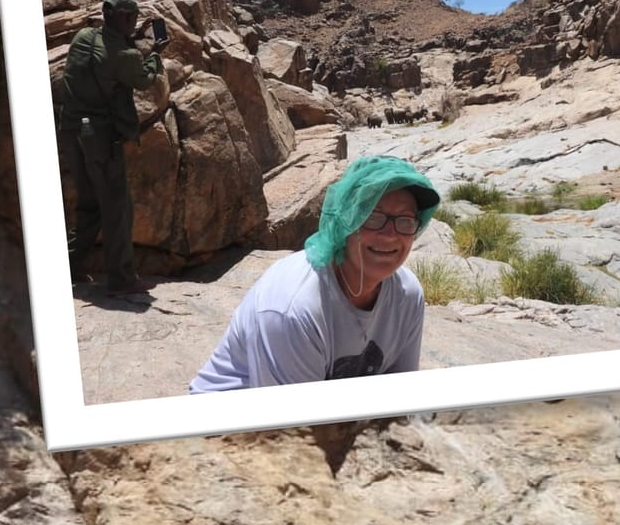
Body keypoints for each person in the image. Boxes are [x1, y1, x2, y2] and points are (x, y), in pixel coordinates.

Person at [189, 156, 441, 392]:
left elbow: (402, 393)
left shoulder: (407, 294)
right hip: (234, 428)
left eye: (406, 220)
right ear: (345, 221)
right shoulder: (294, 308)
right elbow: (291, 429)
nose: (390, 234)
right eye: (373, 217)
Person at [57, 0, 164, 296]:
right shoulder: (123, 55)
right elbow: (143, 78)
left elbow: (104, 58)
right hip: (100, 138)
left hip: (71, 130)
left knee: (89, 203)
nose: (134, 24)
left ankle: (71, 265)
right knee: (118, 207)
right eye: (132, 19)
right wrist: (155, 53)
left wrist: (130, 39)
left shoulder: (83, 36)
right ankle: (121, 277)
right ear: (126, 19)